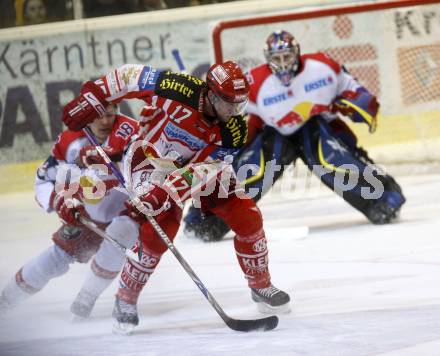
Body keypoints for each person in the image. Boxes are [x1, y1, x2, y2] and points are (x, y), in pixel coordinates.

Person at [61, 61, 291, 333]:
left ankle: (260, 285)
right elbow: (129, 76)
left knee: (247, 215)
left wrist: (166, 192)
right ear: (213, 95)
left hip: (197, 170)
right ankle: (125, 299)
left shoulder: (234, 128)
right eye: (230, 104)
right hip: (150, 161)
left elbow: (205, 169)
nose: (235, 111)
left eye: (240, 104)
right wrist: (94, 96)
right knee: (158, 233)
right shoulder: (178, 88)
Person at [183, 30, 406, 242]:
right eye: (276, 58)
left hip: (317, 128)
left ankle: (383, 197)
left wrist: (360, 105)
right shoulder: (254, 82)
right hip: (274, 134)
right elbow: (228, 119)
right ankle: (207, 216)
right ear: (266, 58)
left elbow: (357, 94)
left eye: (287, 56)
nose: (282, 63)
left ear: (297, 53)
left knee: (332, 160)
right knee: (252, 169)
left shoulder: (323, 67)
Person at [0, 105, 140, 320]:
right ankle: (7, 300)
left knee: (122, 233)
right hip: (89, 212)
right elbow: (44, 181)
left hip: (130, 213)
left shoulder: (132, 133)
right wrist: (61, 202)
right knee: (57, 257)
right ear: (86, 117)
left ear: (117, 112)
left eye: (110, 115)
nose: (104, 122)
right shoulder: (70, 141)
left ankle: (87, 296)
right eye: (97, 116)